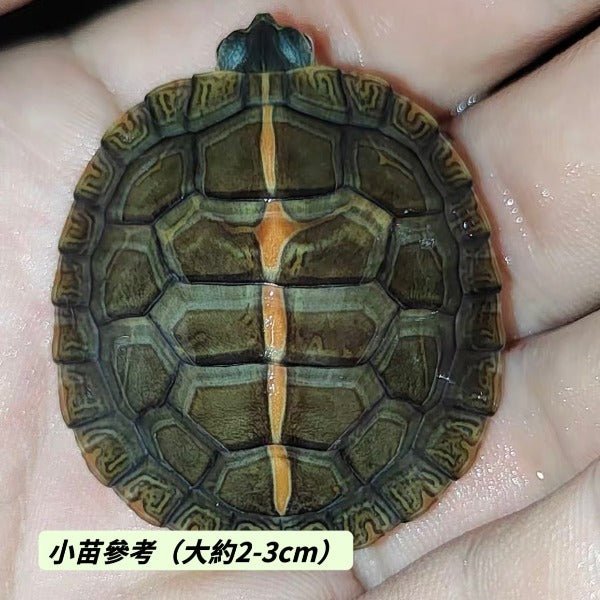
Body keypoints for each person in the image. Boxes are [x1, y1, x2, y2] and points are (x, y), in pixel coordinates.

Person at [0, 1, 598, 598]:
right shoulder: (383, 140)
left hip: (183, 470)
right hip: (373, 455)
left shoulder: (150, 156)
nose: (264, 27)